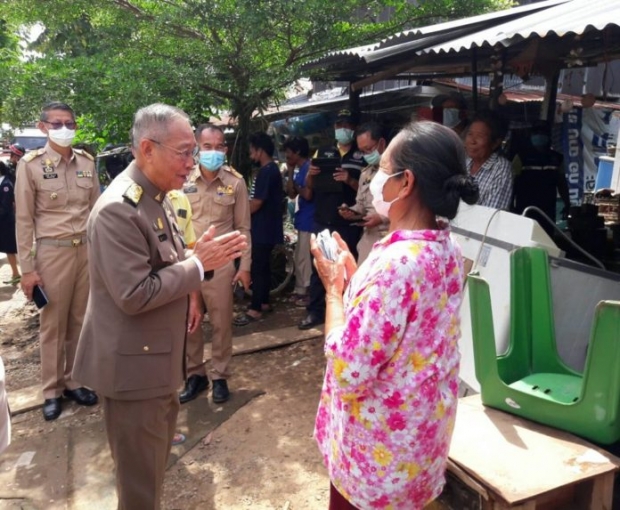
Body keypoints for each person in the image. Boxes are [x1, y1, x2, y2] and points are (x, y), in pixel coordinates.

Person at [72, 103, 247, 510]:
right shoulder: (120, 208)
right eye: (184, 152)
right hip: (134, 371)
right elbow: (134, 294)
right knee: (139, 489)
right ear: (147, 149)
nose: (192, 163)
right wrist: (200, 265)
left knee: (150, 474)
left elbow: (164, 258)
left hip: (153, 363)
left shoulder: (156, 193)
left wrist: (194, 262)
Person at [312, 120, 479, 510]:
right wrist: (357, 280)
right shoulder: (446, 247)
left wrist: (334, 293)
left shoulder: (397, 263)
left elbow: (347, 370)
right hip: (418, 442)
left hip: (377, 458)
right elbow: (400, 324)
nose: (375, 179)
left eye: (384, 168)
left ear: (406, 183)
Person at [15, 102, 100, 421]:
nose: (64, 128)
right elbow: (23, 220)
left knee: (80, 320)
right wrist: (27, 269)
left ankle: (74, 381)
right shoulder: (31, 165)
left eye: (69, 123)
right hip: (52, 252)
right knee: (53, 324)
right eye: (56, 123)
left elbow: (96, 212)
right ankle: (51, 390)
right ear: (43, 127)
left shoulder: (87, 163)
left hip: (86, 251)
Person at [179, 123, 251, 403]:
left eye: (218, 146)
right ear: (197, 148)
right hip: (188, 263)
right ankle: (195, 374)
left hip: (221, 265)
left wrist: (244, 266)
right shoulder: (182, 180)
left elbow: (244, 227)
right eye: (206, 146)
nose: (213, 151)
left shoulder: (235, 182)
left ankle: (220, 376)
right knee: (189, 322)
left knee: (222, 324)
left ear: (225, 148)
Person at [299, 109, 365, 330]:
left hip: (348, 223)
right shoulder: (323, 151)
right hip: (322, 220)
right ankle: (315, 312)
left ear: (354, 128)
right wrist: (311, 174)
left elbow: (368, 194)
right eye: (338, 125)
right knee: (319, 267)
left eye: (346, 124)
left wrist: (349, 180)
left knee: (349, 268)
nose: (342, 129)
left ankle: (348, 313)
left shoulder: (362, 155)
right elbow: (308, 190)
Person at [235, 132, 283, 324]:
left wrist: (239, 213)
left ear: (260, 150)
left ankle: (255, 308)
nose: (251, 156)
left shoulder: (266, 172)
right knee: (263, 267)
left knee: (258, 267)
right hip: (267, 228)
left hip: (262, 229)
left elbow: (256, 203)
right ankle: (263, 301)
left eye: (252, 152)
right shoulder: (271, 170)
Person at [339, 122, 389, 265]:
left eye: (369, 149)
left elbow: (408, 205)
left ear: (381, 143)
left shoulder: (398, 171)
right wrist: (351, 212)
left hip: (392, 236)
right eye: (363, 151)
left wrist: (381, 218)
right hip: (369, 238)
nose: (367, 155)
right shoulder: (366, 173)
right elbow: (361, 205)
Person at [512, 121, 571, 236]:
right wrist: (510, 206)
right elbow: (512, 183)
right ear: (531, 136)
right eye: (536, 133)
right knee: (525, 234)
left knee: (546, 235)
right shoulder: (521, 157)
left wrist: (567, 203)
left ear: (548, 136)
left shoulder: (557, 158)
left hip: (547, 205)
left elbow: (562, 182)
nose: (539, 136)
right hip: (525, 205)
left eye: (542, 133)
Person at [283, 136, 315, 307]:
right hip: (302, 219)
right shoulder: (299, 170)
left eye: (289, 154)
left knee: (304, 257)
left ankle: (306, 290)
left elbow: (308, 194)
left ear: (298, 152)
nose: (287, 157)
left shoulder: (310, 169)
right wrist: (289, 172)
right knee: (300, 256)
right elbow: (291, 194)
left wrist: (299, 188)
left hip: (310, 219)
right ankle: (301, 289)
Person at [465, 111, 513, 210]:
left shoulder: (501, 169)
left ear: (495, 143)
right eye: (470, 134)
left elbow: (491, 215)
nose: (472, 141)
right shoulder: (464, 163)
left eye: (480, 136)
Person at [0, 162, 20, 285]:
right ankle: (15, 273)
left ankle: (16, 273)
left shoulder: (6, 184)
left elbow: (6, 206)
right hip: (3, 220)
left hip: (6, 221)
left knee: (10, 249)